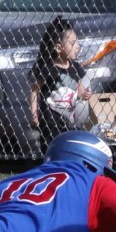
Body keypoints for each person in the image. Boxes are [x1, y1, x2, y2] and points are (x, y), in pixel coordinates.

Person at [29, 16, 92, 147]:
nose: (77, 47)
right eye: (72, 43)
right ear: (58, 47)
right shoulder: (49, 68)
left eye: (77, 43)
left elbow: (80, 91)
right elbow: (35, 91)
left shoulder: (75, 68)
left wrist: (86, 94)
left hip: (70, 122)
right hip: (51, 124)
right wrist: (34, 114)